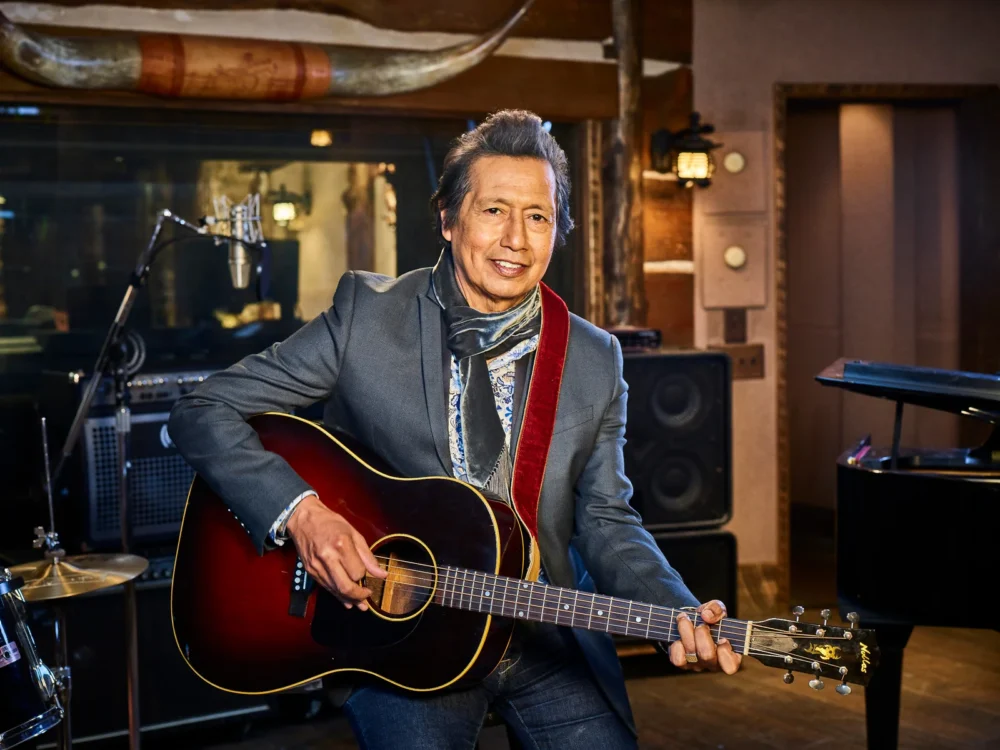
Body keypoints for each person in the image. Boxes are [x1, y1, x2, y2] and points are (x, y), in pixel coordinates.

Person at [168, 109, 741, 749]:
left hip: (541, 627)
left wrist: (677, 606)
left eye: (538, 217)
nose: (516, 240)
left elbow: (607, 518)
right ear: (448, 219)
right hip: (400, 637)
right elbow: (202, 410)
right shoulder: (367, 317)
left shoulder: (593, 358)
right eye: (494, 210)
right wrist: (303, 515)